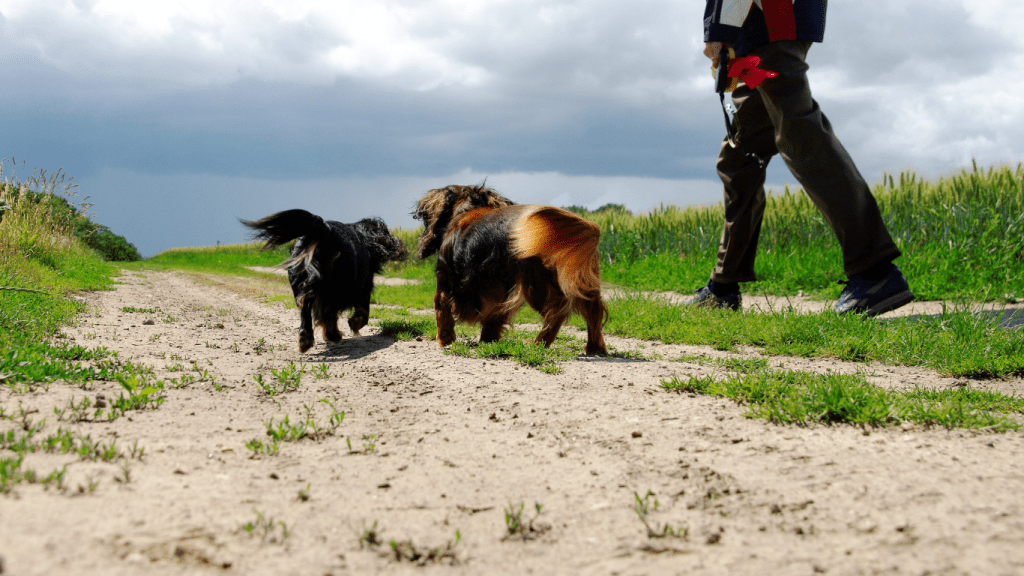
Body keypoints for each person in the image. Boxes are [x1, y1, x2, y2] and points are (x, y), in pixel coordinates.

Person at [691, 0, 914, 316]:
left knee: (801, 137)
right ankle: (723, 286)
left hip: (772, 13)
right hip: (758, 25)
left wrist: (720, 28)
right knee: (740, 154)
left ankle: (874, 270)